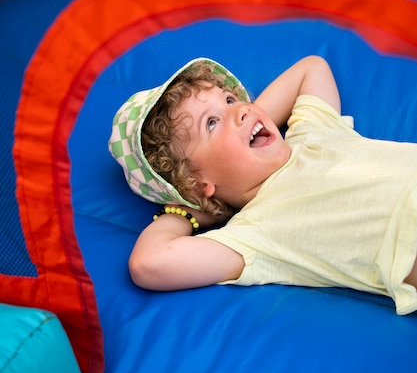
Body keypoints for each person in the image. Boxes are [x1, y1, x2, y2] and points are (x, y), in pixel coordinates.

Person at [108, 56, 417, 315]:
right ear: (196, 183)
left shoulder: (312, 133)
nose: (239, 108)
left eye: (230, 99)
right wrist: (188, 211)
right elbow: (148, 264)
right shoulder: (255, 232)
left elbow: (312, 68)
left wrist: (248, 119)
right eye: (211, 123)